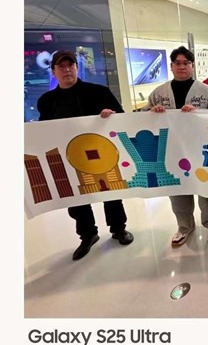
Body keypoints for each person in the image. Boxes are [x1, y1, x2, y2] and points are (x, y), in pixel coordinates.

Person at [37, 50, 135, 261]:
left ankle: (118, 228)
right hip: (68, 158)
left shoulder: (99, 92)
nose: (67, 70)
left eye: (70, 65)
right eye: (61, 66)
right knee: (76, 198)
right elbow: (43, 130)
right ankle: (88, 235)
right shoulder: (47, 100)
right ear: (53, 71)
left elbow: (121, 119)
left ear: (76, 67)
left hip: (100, 154)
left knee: (110, 192)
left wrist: (111, 117)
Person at [147, 46, 208, 247]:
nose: (182, 67)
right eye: (178, 63)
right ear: (171, 66)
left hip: (201, 149)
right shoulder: (159, 93)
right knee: (177, 189)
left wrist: (200, 113)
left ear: (192, 66)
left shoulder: (206, 91)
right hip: (171, 150)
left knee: (207, 187)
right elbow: (142, 117)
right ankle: (184, 226)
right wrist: (152, 112)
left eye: (186, 63)